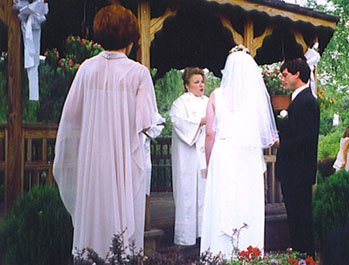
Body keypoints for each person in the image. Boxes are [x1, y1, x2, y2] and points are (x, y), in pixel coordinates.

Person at [53, 5, 164, 256]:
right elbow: (146, 122)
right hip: (123, 157)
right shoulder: (138, 73)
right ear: (131, 36)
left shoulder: (86, 69)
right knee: (121, 216)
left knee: (94, 211)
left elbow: (71, 116)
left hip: (92, 157)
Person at [200, 45, 279, 258]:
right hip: (248, 156)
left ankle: (218, 254)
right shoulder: (256, 98)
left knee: (222, 201)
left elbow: (209, 134)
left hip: (224, 153)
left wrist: (208, 164)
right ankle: (249, 252)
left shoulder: (217, 95)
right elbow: (264, 133)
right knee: (247, 202)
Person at [275, 58, 319, 256]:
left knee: (300, 217)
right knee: (295, 216)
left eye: (285, 75)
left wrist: (281, 142)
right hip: (293, 169)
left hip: (298, 170)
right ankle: (300, 255)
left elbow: (307, 136)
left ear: (297, 74)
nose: (282, 79)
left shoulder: (307, 101)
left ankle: (305, 256)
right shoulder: (298, 99)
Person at [170, 67, 208, 246]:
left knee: (205, 194)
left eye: (202, 81)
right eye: (196, 82)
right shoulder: (180, 103)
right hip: (188, 157)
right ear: (187, 85)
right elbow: (178, 122)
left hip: (206, 157)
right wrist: (201, 121)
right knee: (187, 193)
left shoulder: (210, 102)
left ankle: (204, 234)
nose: (201, 85)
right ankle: (186, 238)